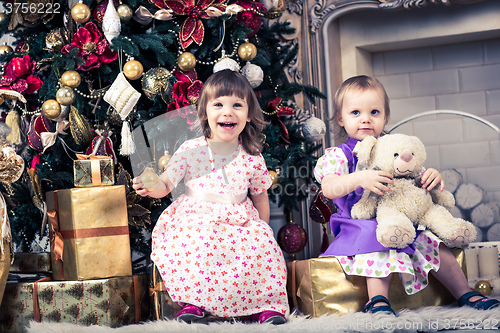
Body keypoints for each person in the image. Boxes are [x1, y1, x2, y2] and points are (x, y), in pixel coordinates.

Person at [314, 75, 500, 315]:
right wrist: (359, 178)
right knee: (376, 238)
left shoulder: (396, 149)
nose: (366, 119)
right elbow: (329, 189)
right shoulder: (339, 155)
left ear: (385, 116)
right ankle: (378, 300)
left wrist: (432, 178)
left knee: (430, 239)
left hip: (403, 220)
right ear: (341, 118)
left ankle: (464, 292)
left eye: (374, 112)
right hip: (360, 222)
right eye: (355, 113)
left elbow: (415, 177)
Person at [133, 69, 288, 324]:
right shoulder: (190, 150)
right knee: (198, 246)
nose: (228, 112)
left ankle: (266, 305)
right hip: (197, 219)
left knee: (262, 246)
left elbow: (260, 197)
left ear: (248, 115)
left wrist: (263, 228)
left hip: (240, 220)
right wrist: (151, 185)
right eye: (219, 104)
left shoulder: (252, 156)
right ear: (205, 113)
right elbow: (165, 184)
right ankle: (196, 303)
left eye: (237, 105)